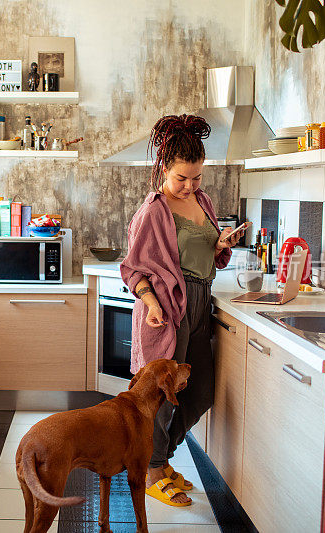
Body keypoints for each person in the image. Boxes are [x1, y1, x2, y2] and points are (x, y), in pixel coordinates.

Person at [119, 114, 244, 507]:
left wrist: (221, 243)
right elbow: (133, 268)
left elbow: (203, 252)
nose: (190, 186)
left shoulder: (202, 201)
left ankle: (156, 457)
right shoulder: (153, 211)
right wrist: (152, 302)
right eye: (182, 178)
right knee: (158, 396)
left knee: (201, 391)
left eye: (197, 178)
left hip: (200, 302)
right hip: (168, 310)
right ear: (163, 168)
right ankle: (152, 468)